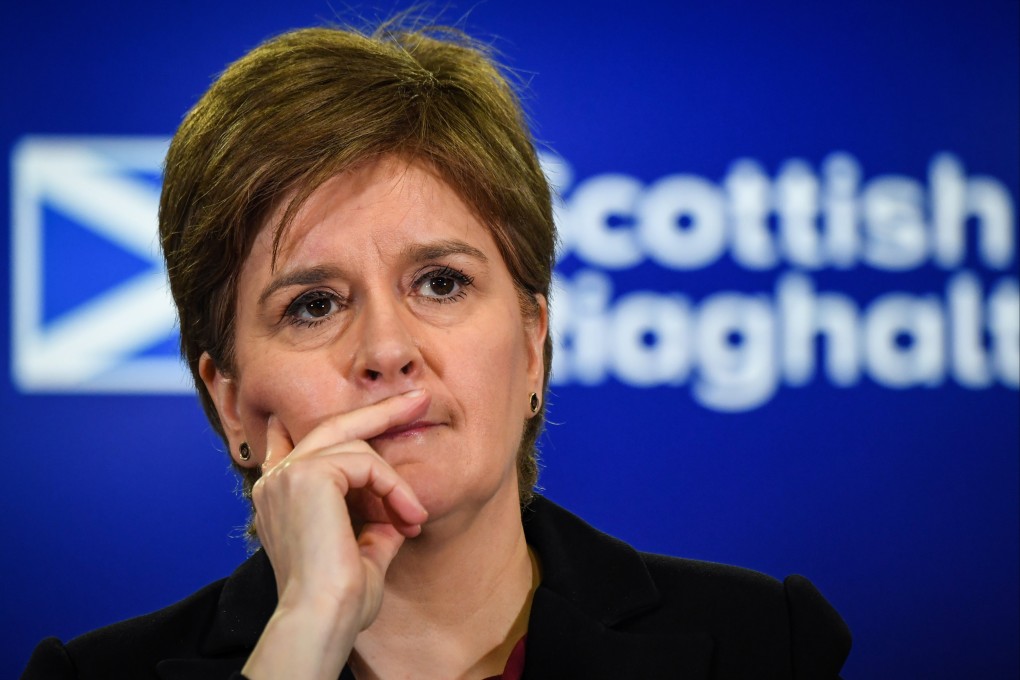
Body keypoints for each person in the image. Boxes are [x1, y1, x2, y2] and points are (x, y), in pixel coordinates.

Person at [22, 19, 851, 680]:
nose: (388, 349)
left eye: (442, 284)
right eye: (314, 305)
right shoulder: (90, 674)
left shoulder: (760, 646)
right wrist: (303, 635)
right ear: (230, 401)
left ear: (533, 343)